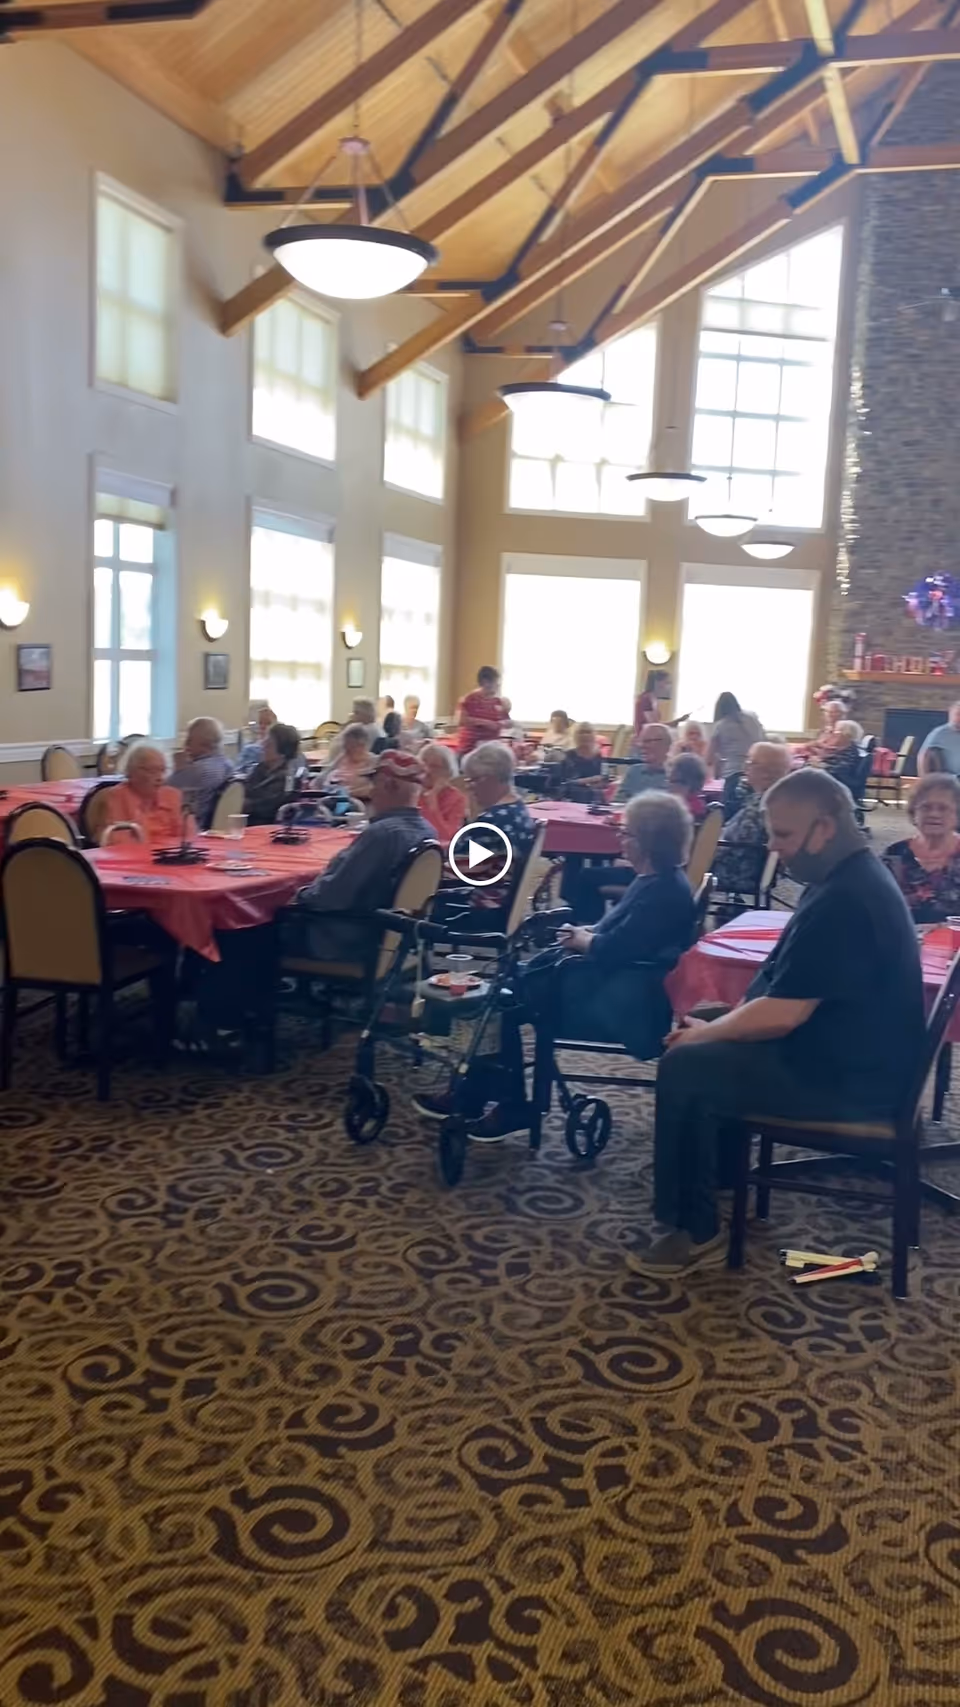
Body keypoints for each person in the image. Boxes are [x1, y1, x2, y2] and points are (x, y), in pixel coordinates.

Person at [635, 768, 925, 1277]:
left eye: (784, 835)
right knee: (707, 1034)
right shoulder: (845, 876)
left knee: (686, 1065)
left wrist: (708, 1033)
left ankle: (693, 1228)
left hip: (854, 1083)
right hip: (851, 1057)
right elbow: (784, 985)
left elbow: (784, 1013)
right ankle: (717, 1177)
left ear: (825, 827)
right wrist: (719, 1021)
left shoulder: (844, 898)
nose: (774, 847)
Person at [415, 793, 696, 1134]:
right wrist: (585, 932)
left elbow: (614, 949)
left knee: (499, 998)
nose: (620, 839)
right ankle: (476, 1094)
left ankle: (506, 1104)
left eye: (627, 834)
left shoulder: (662, 891)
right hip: (610, 981)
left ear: (648, 842)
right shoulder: (657, 880)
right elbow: (623, 935)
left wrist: (582, 939)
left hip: (621, 997)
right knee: (499, 990)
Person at [283, 750, 436, 964]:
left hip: (349, 941)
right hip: (398, 940)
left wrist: (300, 896)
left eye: (375, 785)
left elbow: (334, 895)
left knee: (260, 926)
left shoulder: (381, 834)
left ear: (390, 786)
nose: (371, 793)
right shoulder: (428, 832)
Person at [713, 741, 791, 894]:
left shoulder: (761, 806)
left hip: (736, 872)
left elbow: (738, 843)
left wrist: (705, 847)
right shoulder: (772, 798)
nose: (745, 767)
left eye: (750, 762)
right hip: (748, 868)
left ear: (766, 773)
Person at [882, 772, 960, 922]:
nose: (934, 814)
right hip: (906, 941)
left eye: (943, 808)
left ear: (957, 815)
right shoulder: (895, 854)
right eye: (925, 808)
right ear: (914, 813)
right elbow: (879, 906)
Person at [104, 742, 194, 843]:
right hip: (137, 857)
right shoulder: (119, 796)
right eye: (152, 771)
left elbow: (188, 838)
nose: (160, 778)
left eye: (162, 770)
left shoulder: (172, 795)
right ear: (131, 772)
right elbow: (120, 842)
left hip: (170, 856)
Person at [169, 717, 233, 828]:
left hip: (191, 829)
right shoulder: (228, 765)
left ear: (205, 744)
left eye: (189, 740)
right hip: (216, 827)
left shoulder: (196, 770)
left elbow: (159, 790)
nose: (185, 744)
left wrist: (176, 768)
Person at [242, 722, 302, 826]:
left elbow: (265, 809)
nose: (263, 745)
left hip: (263, 827)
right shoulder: (260, 768)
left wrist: (239, 804)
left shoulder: (286, 780)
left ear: (283, 752)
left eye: (269, 744)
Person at [708, 693, 766, 779]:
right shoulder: (752, 718)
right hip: (756, 770)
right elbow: (763, 738)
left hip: (733, 772)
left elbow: (709, 758)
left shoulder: (721, 726)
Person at [419, 741, 467, 843]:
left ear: (448, 772)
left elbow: (447, 837)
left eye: (435, 766)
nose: (427, 770)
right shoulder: (412, 792)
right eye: (423, 764)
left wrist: (432, 804)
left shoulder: (457, 799)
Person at [457, 666, 508, 758]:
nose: (498, 685)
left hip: (492, 749)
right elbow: (460, 720)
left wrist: (506, 723)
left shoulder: (498, 701)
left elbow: (505, 720)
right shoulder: (469, 699)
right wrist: (486, 723)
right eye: (496, 682)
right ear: (485, 682)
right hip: (471, 750)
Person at [321, 723, 375, 798]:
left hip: (359, 803)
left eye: (350, 748)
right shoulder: (343, 757)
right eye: (345, 747)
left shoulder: (373, 762)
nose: (346, 752)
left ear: (362, 746)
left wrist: (347, 793)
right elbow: (323, 777)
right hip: (333, 798)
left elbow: (373, 790)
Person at [620, 724, 672, 800]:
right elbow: (617, 803)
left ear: (665, 744)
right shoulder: (634, 772)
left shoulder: (676, 774)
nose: (641, 745)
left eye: (647, 741)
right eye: (640, 741)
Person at [814, 718, 863, 798]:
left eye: (835, 732)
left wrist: (819, 765)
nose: (833, 734)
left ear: (846, 734)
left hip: (836, 784)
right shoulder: (843, 747)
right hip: (831, 779)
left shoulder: (850, 750)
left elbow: (839, 770)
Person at [326, 698, 383, 765]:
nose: (353, 715)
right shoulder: (376, 728)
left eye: (355, 712)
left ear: (364, 713)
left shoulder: (361, 730)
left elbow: (340, 749)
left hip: (343, 766)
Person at [558, 722, 606, 800]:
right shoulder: (568, 756)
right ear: (575, 735)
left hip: (595, 795)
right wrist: (591, 780)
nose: (585, 735)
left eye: (588, 732)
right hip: (573, 796)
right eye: (581, 732)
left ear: (593, 735)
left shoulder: (599, 755)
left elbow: (604, 779)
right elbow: (566, 782)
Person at [235, 705, 277, 778]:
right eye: (260, 723)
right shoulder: (249, 749)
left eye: (268, 723)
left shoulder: (279, 749)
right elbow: (238, 772)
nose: (263, 726)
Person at [918, 702, 960, 775]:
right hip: (949, 780)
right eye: (958, 714)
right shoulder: (940, 733)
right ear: (950, 714)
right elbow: (924, 756)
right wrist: (926, 780)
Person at [666, 751, 708, 824]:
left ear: (689, 784)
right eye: (667, 780)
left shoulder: (681, 812)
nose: (668, 785)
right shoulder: (700, 805)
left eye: (672, 781)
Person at [634, 669, 671, 741]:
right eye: (666, 682)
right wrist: (673, 723)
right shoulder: (645, 699)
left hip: (651, 738)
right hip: (645, 740)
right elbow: (653, 726)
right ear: (657, 683)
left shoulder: (653, 699)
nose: (668, 686)